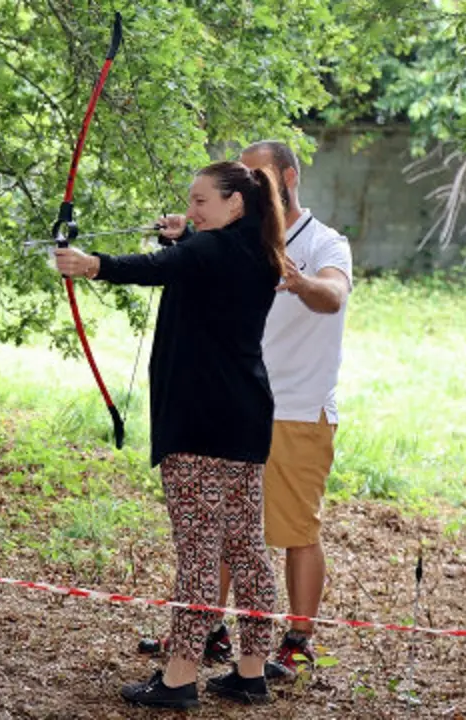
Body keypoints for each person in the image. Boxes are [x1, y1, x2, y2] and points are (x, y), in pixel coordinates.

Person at [55, 161, 285, 709]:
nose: (192, 209)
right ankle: (250, 670)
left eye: (202, 201)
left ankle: (180, 677)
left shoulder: (209, 252)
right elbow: (192, 260)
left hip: (201, 424)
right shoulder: (256, 251)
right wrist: (190, 235)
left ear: (235, 205)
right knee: (247, 547)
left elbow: (155, 266)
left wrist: (91, 265)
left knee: (200, 550)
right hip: (245, 418)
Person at [136, 143, 354, 682]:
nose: (251, 183)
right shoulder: (242, 237)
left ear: (287, 177)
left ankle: (296, 639)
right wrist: (187, 234)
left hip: (298, 406)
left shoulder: (324, 242)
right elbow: (203, 269)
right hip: (235, 401)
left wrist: (302, 282)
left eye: (258, 173)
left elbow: (335, 293)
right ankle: (208, 633)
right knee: (229, 528)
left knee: (295, 527)